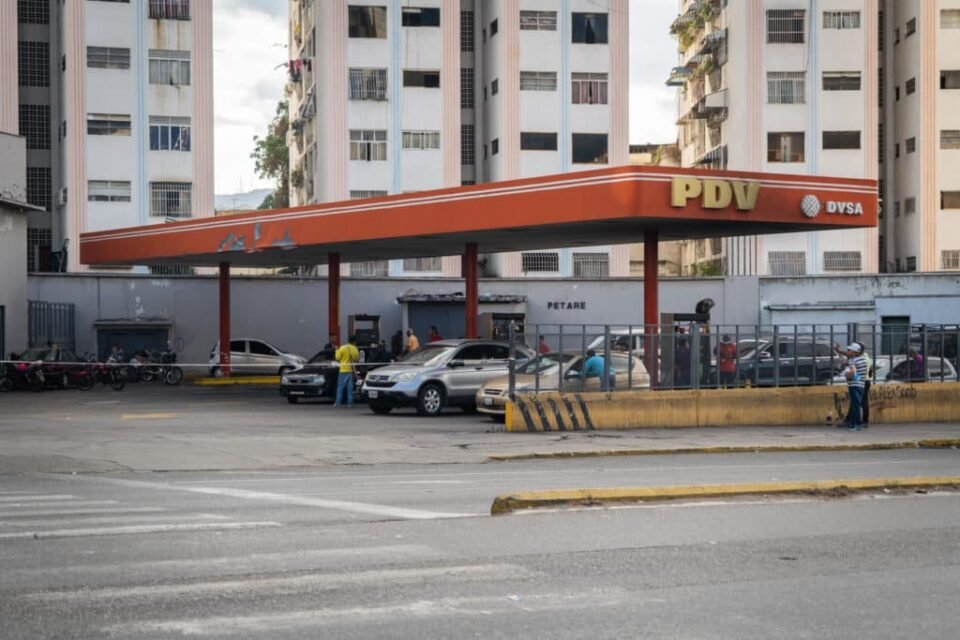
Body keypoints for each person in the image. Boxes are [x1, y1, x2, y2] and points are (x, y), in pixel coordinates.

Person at [842, 343, 868, 431]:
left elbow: (853, 372)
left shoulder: (853, 360)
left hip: (854, 385)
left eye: (849, 350)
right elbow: (860, 374)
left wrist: (846, 375)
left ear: (854, 352)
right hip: (861, 384)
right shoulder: (863, 359)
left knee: (855, 405)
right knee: (855, 404)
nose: (848, 352)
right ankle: (852, 424)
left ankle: (857, 424)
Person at [334, 335, 360, 408]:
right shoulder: (355, 348)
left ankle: (338, 403)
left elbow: (337, 358)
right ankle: (350, 403)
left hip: (342, 370)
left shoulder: (342, 347)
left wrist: (337, 350)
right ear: (354, 342)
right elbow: (356, 358)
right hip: (350, 371)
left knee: (340, 387)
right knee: (350, 388)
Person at [856, 341, 873, 428]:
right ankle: (863, 421)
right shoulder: (866, 357)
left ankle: (865, 421)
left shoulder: (863, 359)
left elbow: (862, 372)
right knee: (861, 401)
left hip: (863, 381)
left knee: (863, 402)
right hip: (865, 381)